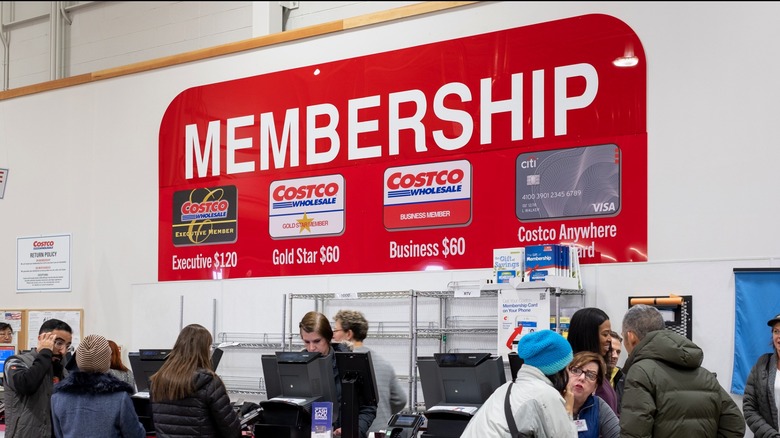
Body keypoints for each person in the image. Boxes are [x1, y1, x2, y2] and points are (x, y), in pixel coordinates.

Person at [620, 304, 745, 437]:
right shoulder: (706, 376)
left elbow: (635, 434)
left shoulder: (640, 372)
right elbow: (735, 424)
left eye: (623, 337)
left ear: (631, 337)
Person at [461, 329, 577, 438]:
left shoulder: (504, 389)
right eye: (568, 367)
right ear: (558, 370)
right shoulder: (546, 395)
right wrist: (568, 409)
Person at [149, 323, 240, 437]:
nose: (211, 350)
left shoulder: (157, 381)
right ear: (203, 350)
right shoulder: (210, 382)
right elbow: (231, 431)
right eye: (210, 346)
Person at [299, 311, 377, 438]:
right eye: (306, 342)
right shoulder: (298, 367)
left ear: (329, 338)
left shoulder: (352, 363)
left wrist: (353, 430)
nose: (311, 348)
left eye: (317, 341)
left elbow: (368, 408)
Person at [50, 334, 146, 438]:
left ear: (78, 360)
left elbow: (59, 434)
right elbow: (135, 434)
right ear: (107, 360)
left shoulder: (57, 398)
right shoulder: (120, 398)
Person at [332, 309, 407, 433]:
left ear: (349, 334)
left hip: (356, 432)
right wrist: (382, 411)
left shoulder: (342, 362)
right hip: (381, 431)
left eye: (336, 330)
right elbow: (400, 399)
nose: (333, 335)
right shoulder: (383, 362)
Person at [3, 318, 73, 437]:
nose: (63, 351)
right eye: (59, 343)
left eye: (67, 345)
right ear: (41, 339)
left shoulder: (61, 368)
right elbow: (27, 385)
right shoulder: (15, 362)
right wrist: (45, 351)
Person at [566, 307, 618, 414]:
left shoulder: (601, 371)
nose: (609, 339)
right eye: (605, 334)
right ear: (588, 336)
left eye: (610, 334)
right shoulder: (569, 378)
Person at [565, 351, 619, 438]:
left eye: (590, 375)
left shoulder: (598, 405)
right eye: (576, 370)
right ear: (566, 374)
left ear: (595, 386)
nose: (582, 378)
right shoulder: (552, 400)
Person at [743, 312, 780, 437]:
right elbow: (749, 408)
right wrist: (771, 436)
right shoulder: (762, 364)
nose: (779, 336)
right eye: (776, 331)